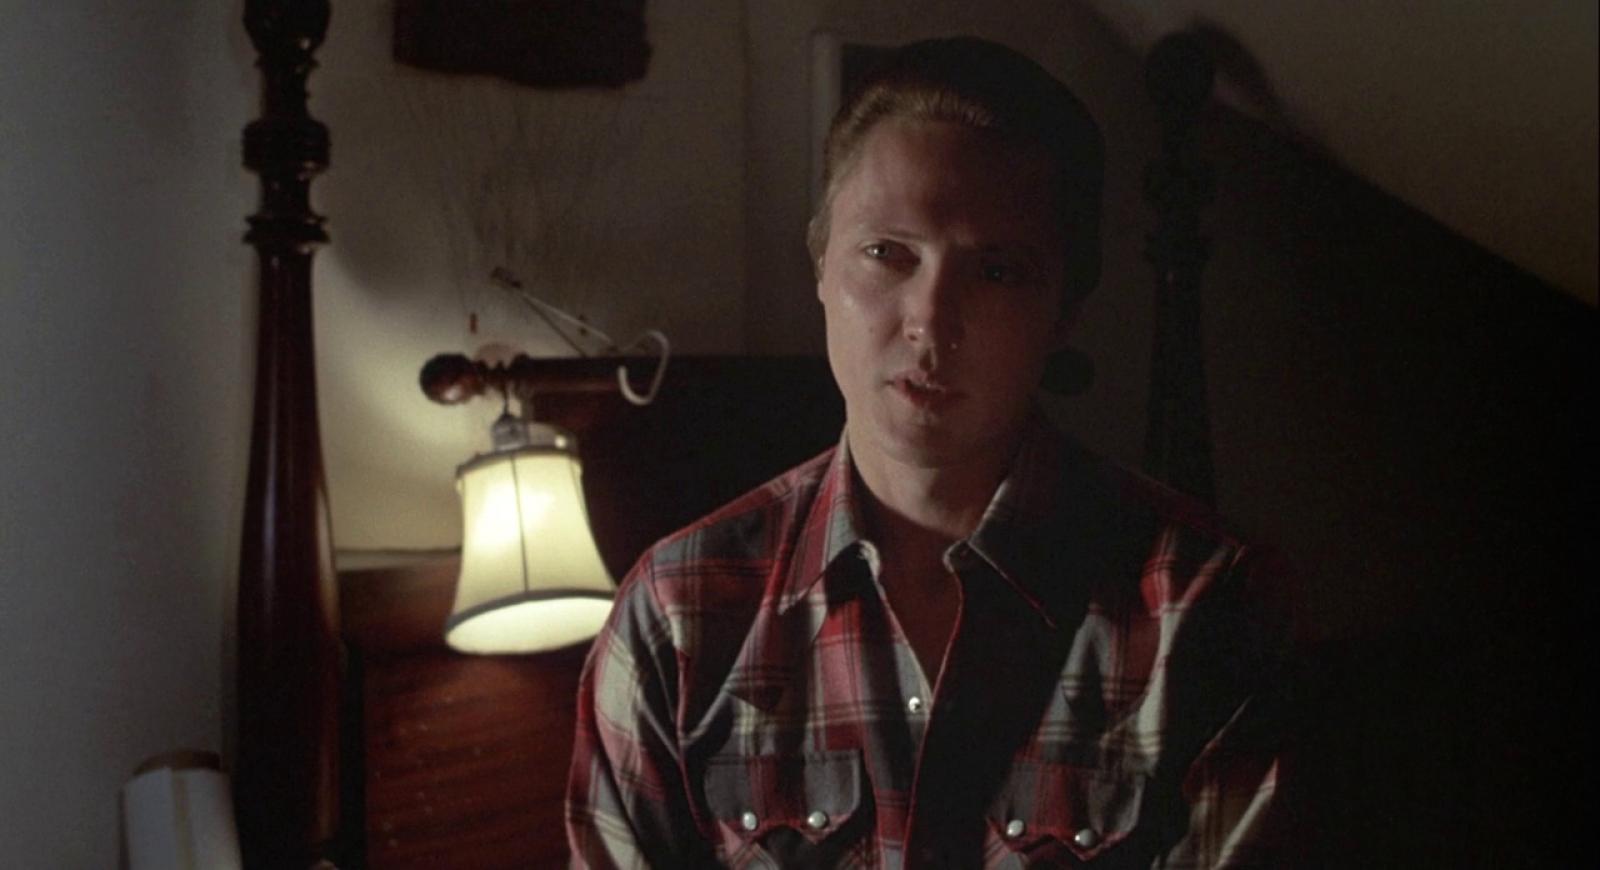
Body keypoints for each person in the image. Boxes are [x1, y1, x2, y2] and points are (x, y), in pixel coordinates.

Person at [567, 36, 1289, 869]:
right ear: (821, 265)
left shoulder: (1201, 609)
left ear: (1065, 310)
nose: (931, 321)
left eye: (998, 271)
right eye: (887, 253)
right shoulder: (678, 616)